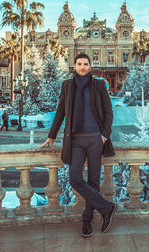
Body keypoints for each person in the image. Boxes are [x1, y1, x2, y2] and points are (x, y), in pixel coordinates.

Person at [40, 53, 116, 237]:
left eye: (86, 64)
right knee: (75, 178)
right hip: (75, 140)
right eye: (79, 64)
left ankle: (87, 221)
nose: (82, 67)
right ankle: (106, 208)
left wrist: (104, 136)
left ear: (90, 66)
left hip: (95, 140)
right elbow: (60, 111)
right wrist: (51, 135)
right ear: (74, 66)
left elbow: (108, 112)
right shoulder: (67, 85)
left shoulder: (98, 85)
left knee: (93, 181)